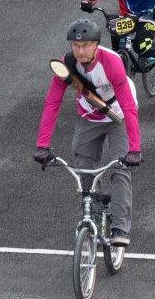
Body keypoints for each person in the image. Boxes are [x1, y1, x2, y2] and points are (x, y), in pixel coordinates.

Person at [33, 19, 142, 247]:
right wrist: (42, 145)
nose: (80, 51)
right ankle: (89, 215)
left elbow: (129, 107)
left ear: (96, 45)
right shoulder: (67, 64)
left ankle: (120, 227)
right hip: (89, 117)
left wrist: (134, 149)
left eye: (85, 46)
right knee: (84, 168)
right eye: (75, 45)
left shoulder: (111, 63)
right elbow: (52, 102)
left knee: (119, 169)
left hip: (119, 115)